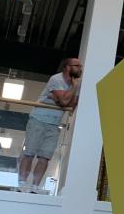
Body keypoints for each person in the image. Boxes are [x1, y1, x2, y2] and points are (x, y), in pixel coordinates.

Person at [18, 58, 82, 193]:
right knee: (29, 153)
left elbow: (71, 105)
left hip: (54, 124)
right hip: (38, 119)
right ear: (67, 67)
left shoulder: (77, 83)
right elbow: (65, 102)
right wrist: (68, 95)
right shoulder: (56, 79)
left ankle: (35, 187)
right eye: (77, 65)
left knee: (45, 157)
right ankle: (22, 184)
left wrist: (62, 98)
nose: (80, 68)